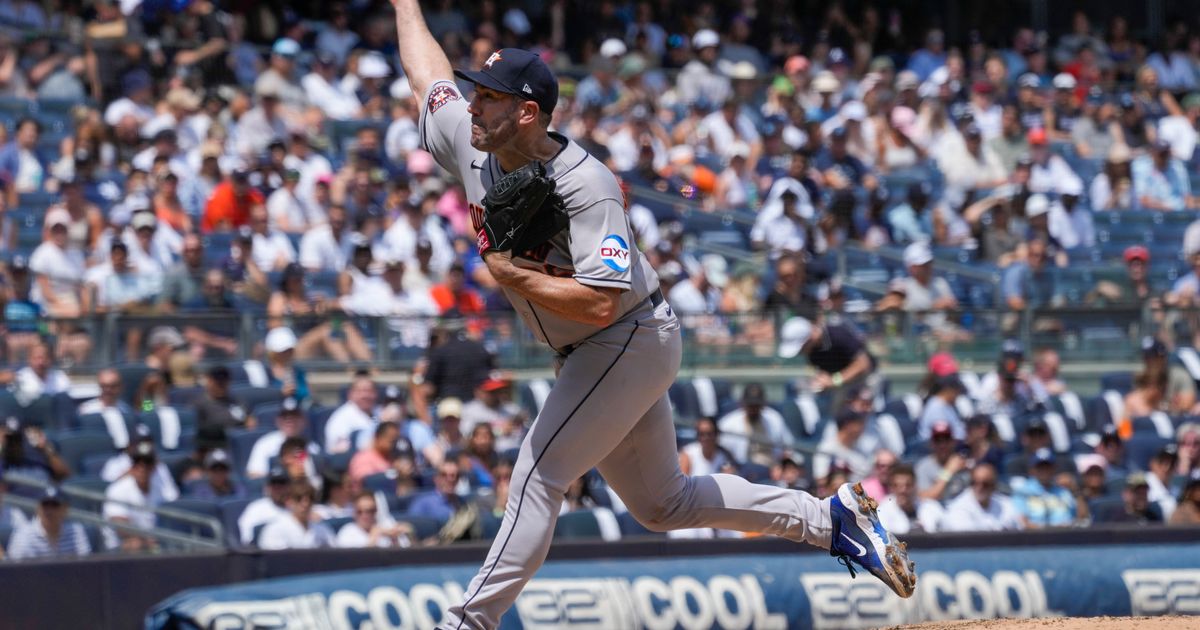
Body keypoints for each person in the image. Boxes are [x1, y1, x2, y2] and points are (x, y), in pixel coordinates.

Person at [392, 9, 914, 626]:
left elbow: (602, 301)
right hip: (600, 347)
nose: (472, 106)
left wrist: (518, 277)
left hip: (625, 336)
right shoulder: (472, 138)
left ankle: (466, 622)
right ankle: (831, 521)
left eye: (488, 98)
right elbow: (427, 78)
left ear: (526, 113)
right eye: (475, 94)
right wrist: (405, 5)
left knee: (537, 474)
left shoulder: (585, 185)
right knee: (663, 504)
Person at [777, 316, 877, 411]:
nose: (801, 352)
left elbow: (863, 364)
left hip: (867, 381)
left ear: (810, 337)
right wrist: (821, 382)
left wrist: (834, 381)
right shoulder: (811, 351)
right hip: (842, 386)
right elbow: (824, 373)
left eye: (802, 347)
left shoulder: (837, 334)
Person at [103, 442, 168, 551]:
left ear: (154, 467)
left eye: (147, 463)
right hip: (117, 548)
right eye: (137, 462)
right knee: (135, 543)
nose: (142, 467)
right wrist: (147, 539)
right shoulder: (118, 489)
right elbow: (120, 526)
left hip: (152, 542)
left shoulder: (159, 490)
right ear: (132, 466)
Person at [716, 383, 794, 466]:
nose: (753, 409)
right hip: (741, 470)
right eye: (750, 405)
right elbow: (720, 454)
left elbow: (788, 446)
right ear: (743, 403)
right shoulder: (728, 424)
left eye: (756, 405)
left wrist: (783, 464)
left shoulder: (774, 418)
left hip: (772, 469)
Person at [6, 487, 91, 561]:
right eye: (45, 505)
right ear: (38, 508)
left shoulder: (76, 532)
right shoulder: (24, 536)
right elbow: (16, 573)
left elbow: (85, 566)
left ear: (65, 509)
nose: (49, 511)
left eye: (55, 505)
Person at [245, 397, 319, 480]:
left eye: (294, 415)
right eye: (284, 416)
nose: (289, 419)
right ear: (277, 420)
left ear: (303, 420)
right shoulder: (265, 444)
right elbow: (253, 474)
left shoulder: (311, 446)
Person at [941, 463, 1023, 532]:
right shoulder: (958, 508)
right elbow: (971, 541)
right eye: (974, 483)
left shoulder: (1005, 504)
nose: (979, 487)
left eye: (985, 484)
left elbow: (1017, 530)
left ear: (994, 486)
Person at [258, 480, 336, 550]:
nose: (305, 504)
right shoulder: (275, 529)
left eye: (310, 499)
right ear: (289, 501)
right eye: (298, 498)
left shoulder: (322, 529)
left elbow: (334, 555)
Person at [1012, 448, 1079, 528]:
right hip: (1035, 538)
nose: (1044, 471)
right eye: (1040, 468)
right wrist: (1049, 531)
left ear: (1054, 469)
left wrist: (1075, 490)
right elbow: (1023, 523)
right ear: (1032, 470)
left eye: (1048, 467)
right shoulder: (1023, 491)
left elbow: (1081, 518)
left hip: (1064, 537)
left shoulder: (1063, 490)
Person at [876, 464, 945, 535]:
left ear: (915, 486)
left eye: (907, 485)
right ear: (891, 488)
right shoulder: (883, 511)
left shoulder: (932, 507)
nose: (902, 490)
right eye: (897, 486)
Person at [336, 491, 412, 548]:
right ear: (354, 513)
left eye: (370, 511)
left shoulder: (386, 526)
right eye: (359, 511)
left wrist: (396, 538)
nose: (365, 515)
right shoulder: (347, 532)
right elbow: (351, 561)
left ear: (376, 511)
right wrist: (373, 538)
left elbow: (405, 557)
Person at [812, 410, 873, 481]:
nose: (862, 429)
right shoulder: (827, 448)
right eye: (859, 424)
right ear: (847, 425)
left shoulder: (862, 451)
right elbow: (820, 479)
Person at [326, 375, 379, 454]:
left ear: (376, 393)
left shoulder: (379, 412)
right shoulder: (341, 417)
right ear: (351, 394)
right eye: (360, 391)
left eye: (370, 391)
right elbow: (338, 450)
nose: (365, 395)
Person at [238, 465, 290, 545]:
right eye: (274, 484)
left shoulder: (298, 509)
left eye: (282, 483)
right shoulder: (256, 508)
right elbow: (247, 539)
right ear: (267, 487)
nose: (278, 488)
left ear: (289, 487)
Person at [915, 422, 967, 501]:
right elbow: (924, 498)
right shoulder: (923, 467)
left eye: (946, 440)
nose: (942, 445)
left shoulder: (962, 463)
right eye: (938, 441)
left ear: (953, 442)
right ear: (931, 444)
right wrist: (948, 471)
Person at [407, 459, 464, 528]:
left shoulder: (462, 502)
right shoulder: (422, 502)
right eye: (444, 475)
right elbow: (411, 527)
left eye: (455, 476)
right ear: (436, 479)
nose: (451, 479)